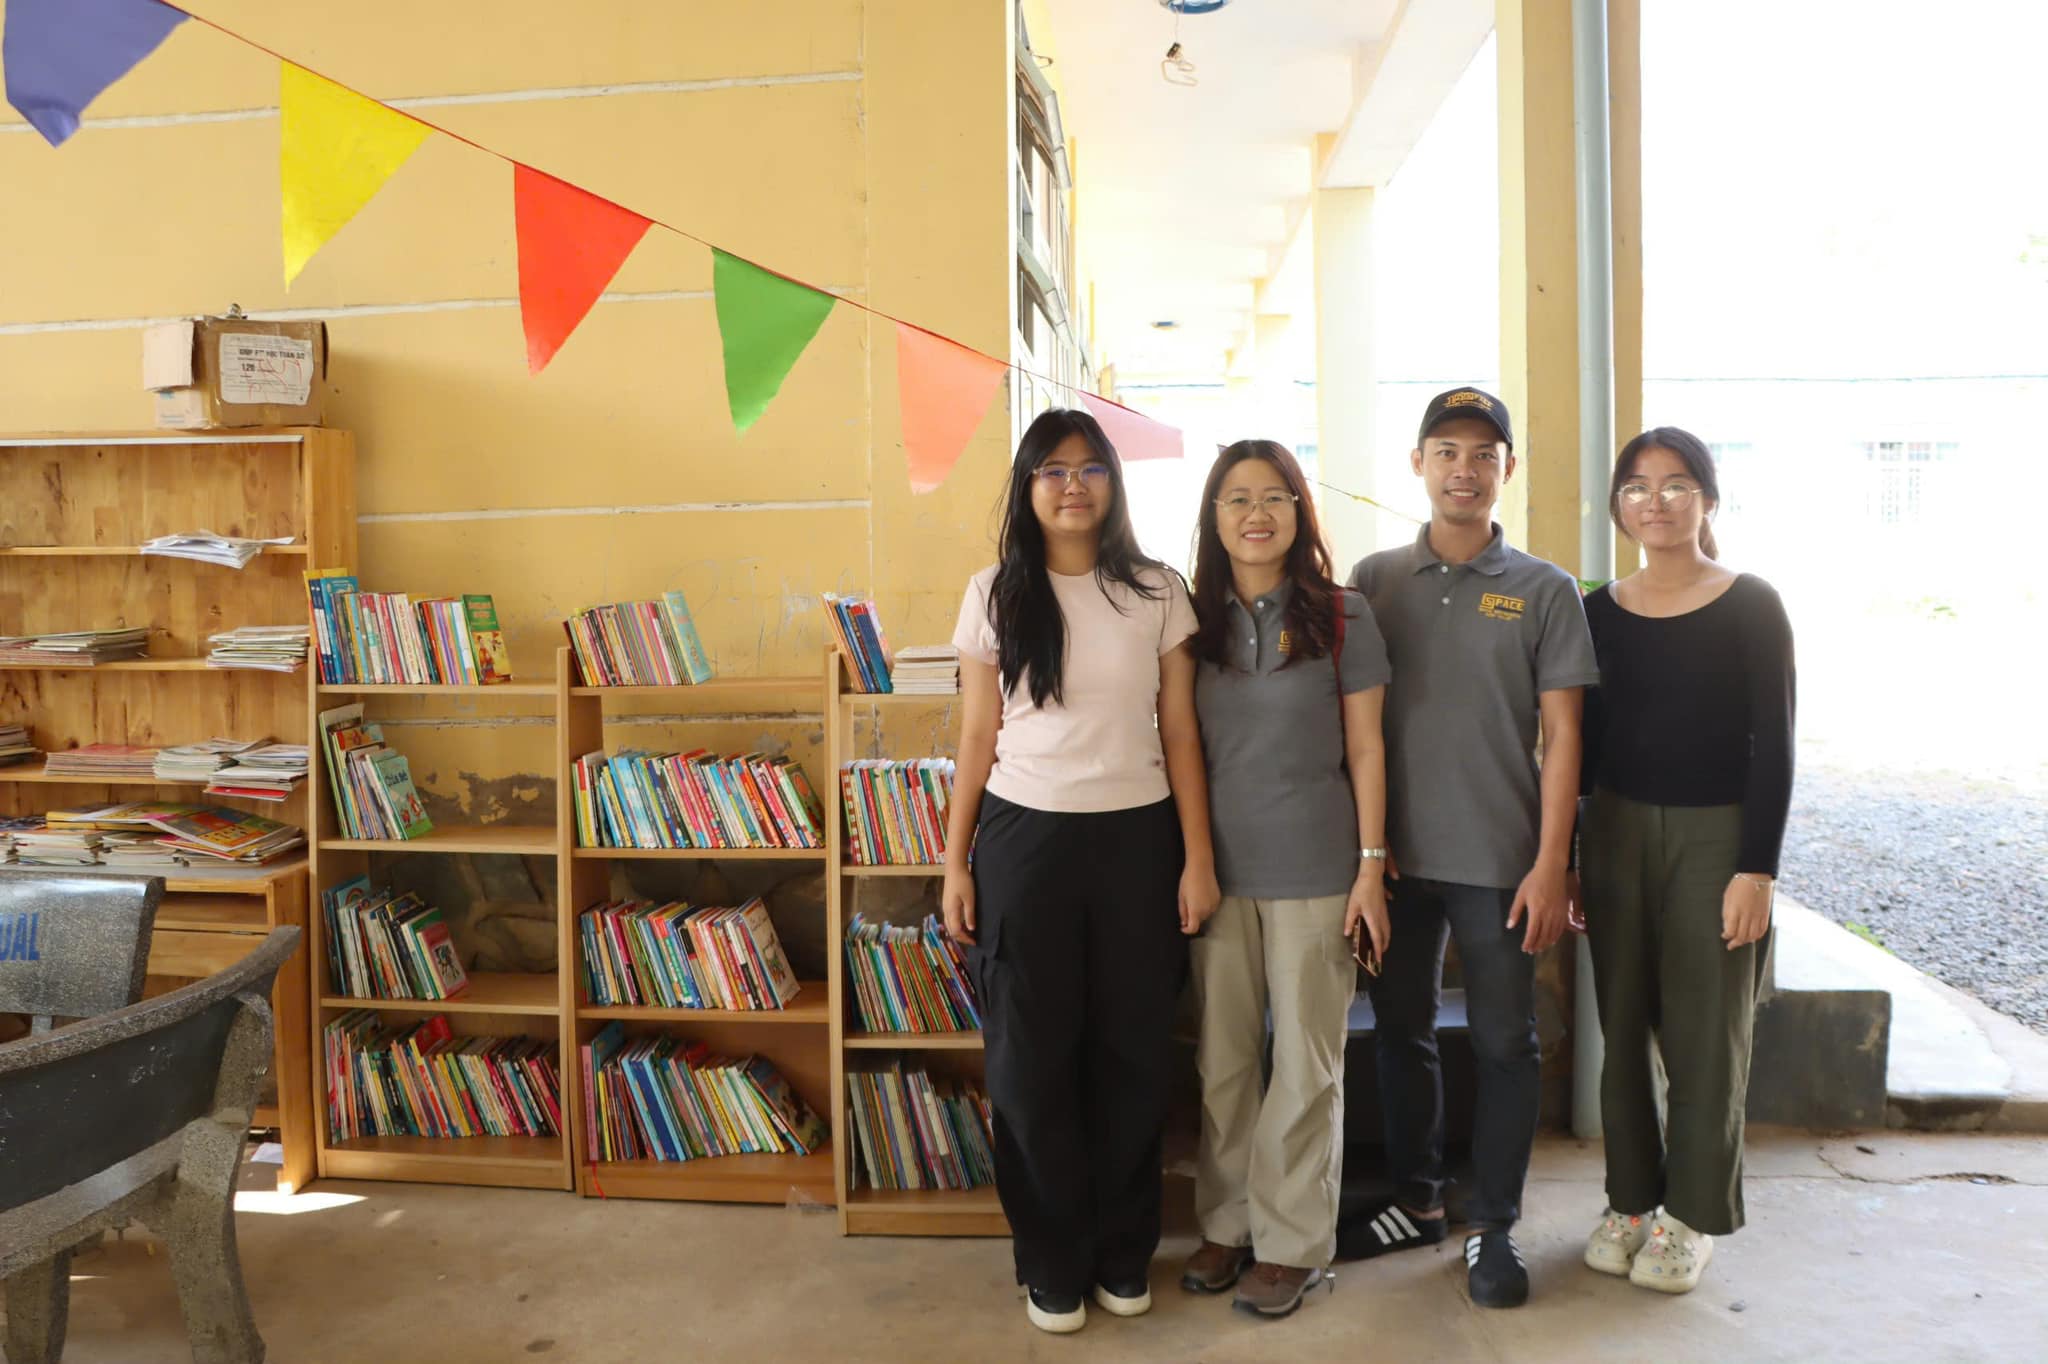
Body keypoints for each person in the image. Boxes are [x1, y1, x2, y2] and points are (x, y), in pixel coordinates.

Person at [942, 407, 1219, 1335]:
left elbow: (1181, 732)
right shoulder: (994, 593)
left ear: (1113, 483)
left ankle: (1122, 1253)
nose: (1072, 485)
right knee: (1031, 1066)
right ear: (1027, 487)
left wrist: (1197, 859)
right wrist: (955, 864)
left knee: (1132, 1055)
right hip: (1023, 842)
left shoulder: (1157, 590)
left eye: (1090, 467)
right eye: (1052, 469)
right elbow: (976, 735)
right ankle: (1052, 1263)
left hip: (1139, 841)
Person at [1333, 387, 1600, 1309]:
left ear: (1506, 470)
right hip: (1395, 862)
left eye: (1484, 454)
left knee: (1504, 1043)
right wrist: (1364, 855)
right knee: (1399, 1030)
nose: (1464, 469)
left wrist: (1553, 863)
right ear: (1417, 464)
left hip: (1501, 863)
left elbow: (1565, 737)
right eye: (1446, 451)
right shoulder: (1374, 581)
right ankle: (1416, 1199)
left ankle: (1493, 1222)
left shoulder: (1545, 589)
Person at [1575, 427, 1795, 1295]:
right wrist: (1572, 858)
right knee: (1622, 1026)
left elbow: (1774, 745)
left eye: (1675, 484)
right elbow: (1583, 746)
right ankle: (1630, 1201)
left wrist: (1757, 870)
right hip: (1616, 833)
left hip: (1718, 839)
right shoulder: (1598, 610)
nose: (1656, 501)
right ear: (1618, 505)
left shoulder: (1751, 604)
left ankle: (1691, 1216)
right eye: (1637, 486)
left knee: (1708, 1036)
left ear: (1708, 499)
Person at [1179, 440, 1393, 1319]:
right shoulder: (1188, 621)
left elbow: (1368, 749)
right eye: (1236, 498)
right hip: (1216, 876)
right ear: (1214, 517)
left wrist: (1371, 870)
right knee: (1224, 1063)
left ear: (1300, 512)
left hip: (1317, 870)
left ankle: (1292, 1243)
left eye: (1274, 496)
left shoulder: (1344, 616)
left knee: (1307, 1065)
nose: (1255, 513)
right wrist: (1190, 864)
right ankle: (1227, 1225)